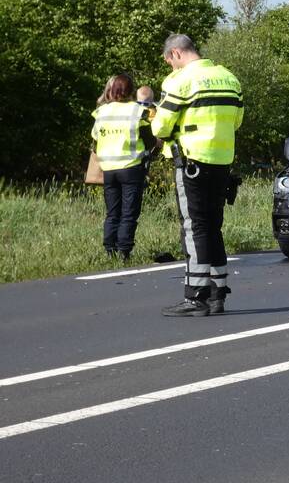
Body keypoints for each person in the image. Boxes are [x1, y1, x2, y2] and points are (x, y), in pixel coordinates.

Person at [152, 34, 243, 317]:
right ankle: (218, 294)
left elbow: (161, 127)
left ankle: (196, 296)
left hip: (191, 160)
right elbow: (237, 121)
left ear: (176, 53)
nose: (171, 67)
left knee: (194, 228)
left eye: (169, 62)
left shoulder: (181, 81)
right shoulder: (229, 78)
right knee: (213, 227)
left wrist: (156, 120)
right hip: (222, 160)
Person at [91, 73, 158, 260]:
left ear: (111, 90)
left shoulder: (101, 112)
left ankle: (109, 250)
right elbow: (150, 140)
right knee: (129, 213)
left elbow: (95, 142)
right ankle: (124, 251)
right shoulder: (137, 111)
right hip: (131, 167)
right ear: (131, 91)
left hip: (108, 170)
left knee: (112, 213)